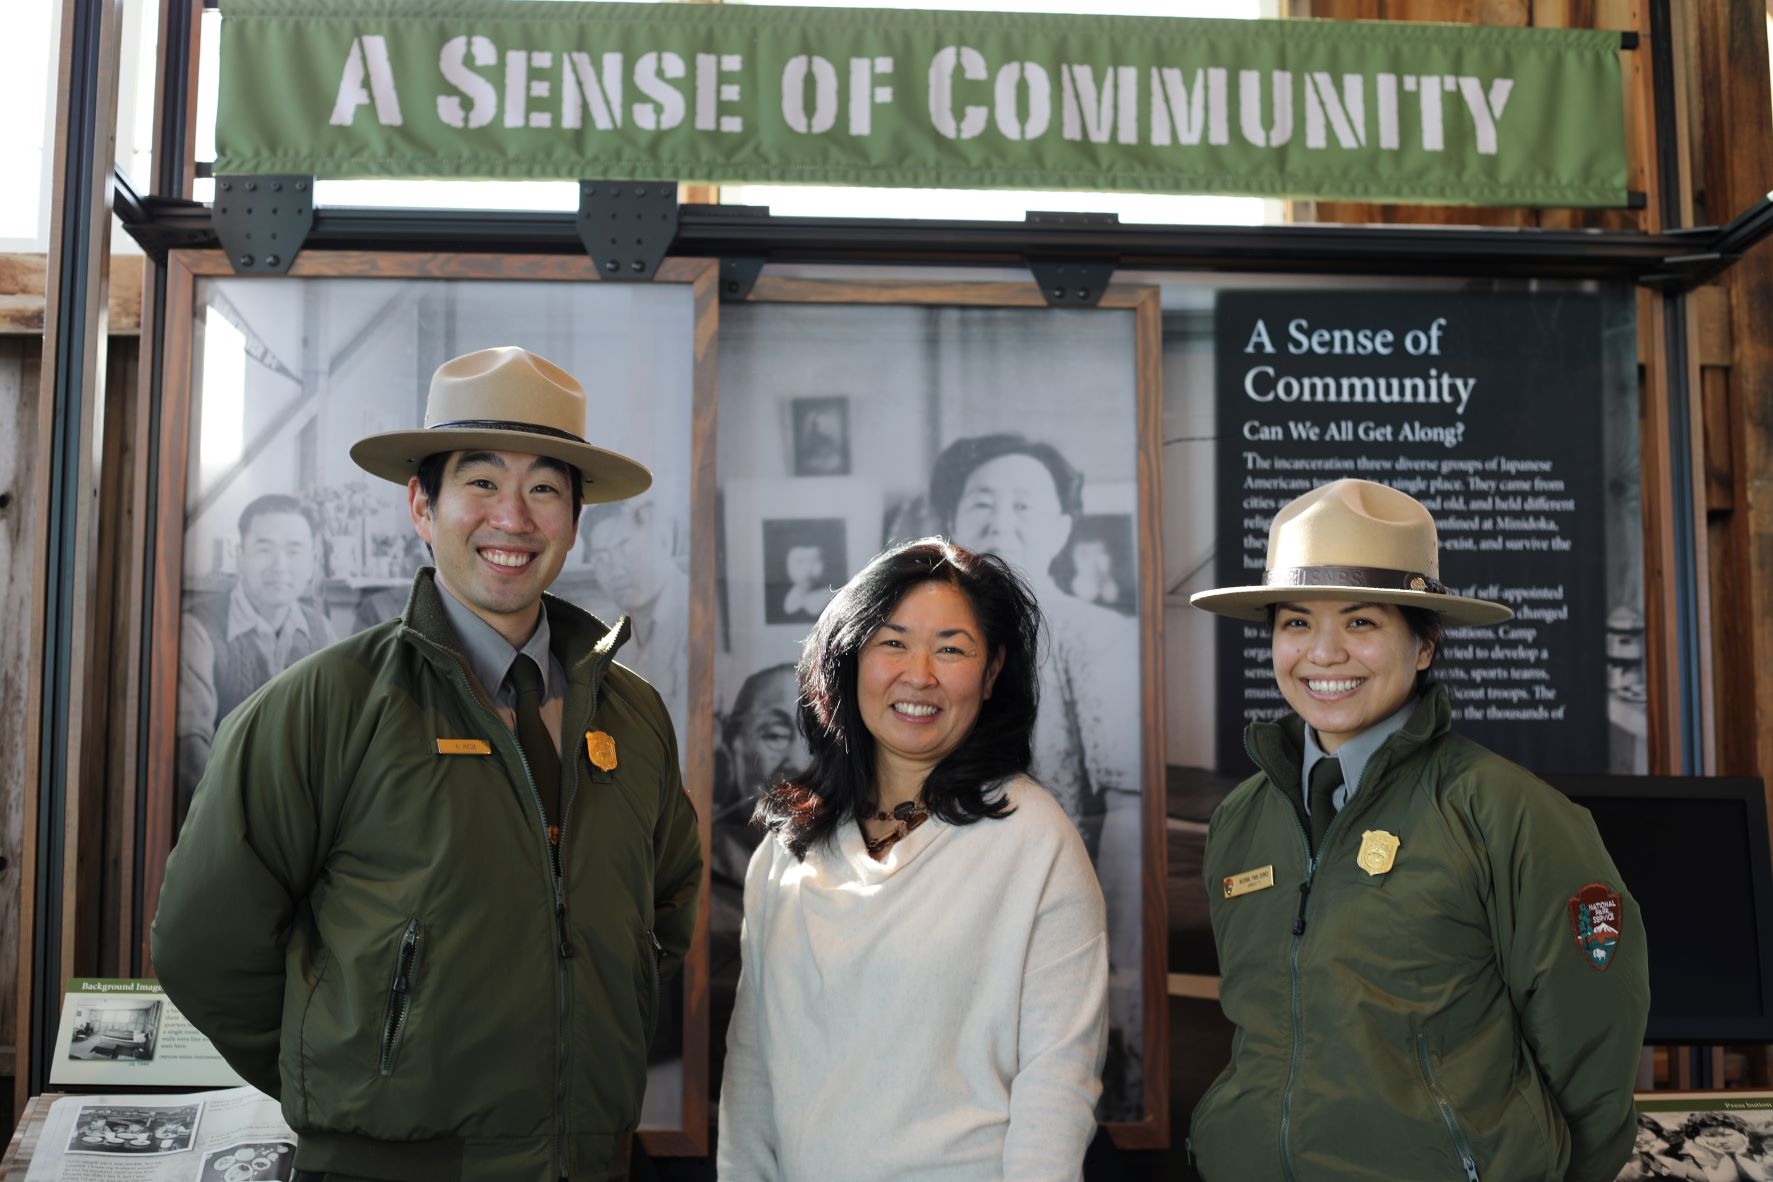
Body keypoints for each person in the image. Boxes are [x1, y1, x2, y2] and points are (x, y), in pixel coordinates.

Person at [152, 345, 703, 1182]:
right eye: (481, 482)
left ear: (576, 519)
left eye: (545, 489)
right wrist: (358, 1078)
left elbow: (661, 913)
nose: (512, 519)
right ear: (421, 503)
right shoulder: (322, 706)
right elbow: (204, 944)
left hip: (585, 1162)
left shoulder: (632, 715)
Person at [1187, 478, 1651, 1182]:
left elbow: (1593, 1035)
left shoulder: (1507, 813)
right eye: (1295, 623)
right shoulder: (1241, 818)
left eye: (1361, 623)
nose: (1323, 653)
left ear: (1424, 643)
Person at [718, 538, 1108, 1182]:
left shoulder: (1034, 840)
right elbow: (751, 1071)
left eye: (951, 648)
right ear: (848, 659)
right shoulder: (788, 848)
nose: (919, 674)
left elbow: (1058, 1080)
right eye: (893, 642)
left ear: (990, 674)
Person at [174, 493, 332, 826]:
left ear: (313, 561)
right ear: (239, 555)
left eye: (294, 550)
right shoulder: (200, 629)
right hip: (219, 825)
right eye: (264, 548)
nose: (280, 565)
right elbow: (189, 751)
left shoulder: (320, 631)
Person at [583, 495, 689, 731]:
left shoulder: (697, 615)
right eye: (601, 558)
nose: (616, 569)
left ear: (661, 540)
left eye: (626, 548)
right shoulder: (601, 628)